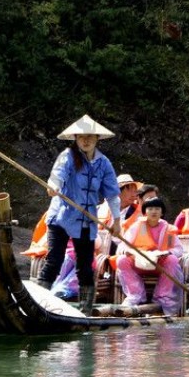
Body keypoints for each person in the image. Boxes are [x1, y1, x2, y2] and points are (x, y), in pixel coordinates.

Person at [35, 114, 123, 315]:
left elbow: (112, 194)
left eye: (90, 137)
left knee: (85, 266)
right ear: (75, 138)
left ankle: (85, 310)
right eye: (81, 137)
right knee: (54, 260)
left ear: (97, 139)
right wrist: (54, 187)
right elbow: (57, 177)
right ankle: (39, 305)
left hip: (86, 220)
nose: (85, 140)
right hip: (62, 217)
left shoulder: (104, 163)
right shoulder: (67, 156)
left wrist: (117, 221)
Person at [50, 173, 141, 300]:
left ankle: (66, 289)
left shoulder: (139, 214)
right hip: (94, 246)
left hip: (118, 250)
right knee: (71, 254)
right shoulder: (100, 209)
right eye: (129, 189)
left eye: (135, 190)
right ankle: (56, 287)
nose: (134, 194)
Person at [114, 196, 185, 314]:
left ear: (162, 212)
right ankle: (135, 295)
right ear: (145, 211)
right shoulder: (136, 226)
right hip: (140, 263)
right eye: (150, 208)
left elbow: (178, 249)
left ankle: (162, 296)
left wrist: (167, 253)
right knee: (121, 260)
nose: (154, 211)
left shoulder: (169, 229)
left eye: (157, 209)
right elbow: (123, 245)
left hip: (159, 265)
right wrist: (127, 251)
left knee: (172, 259)